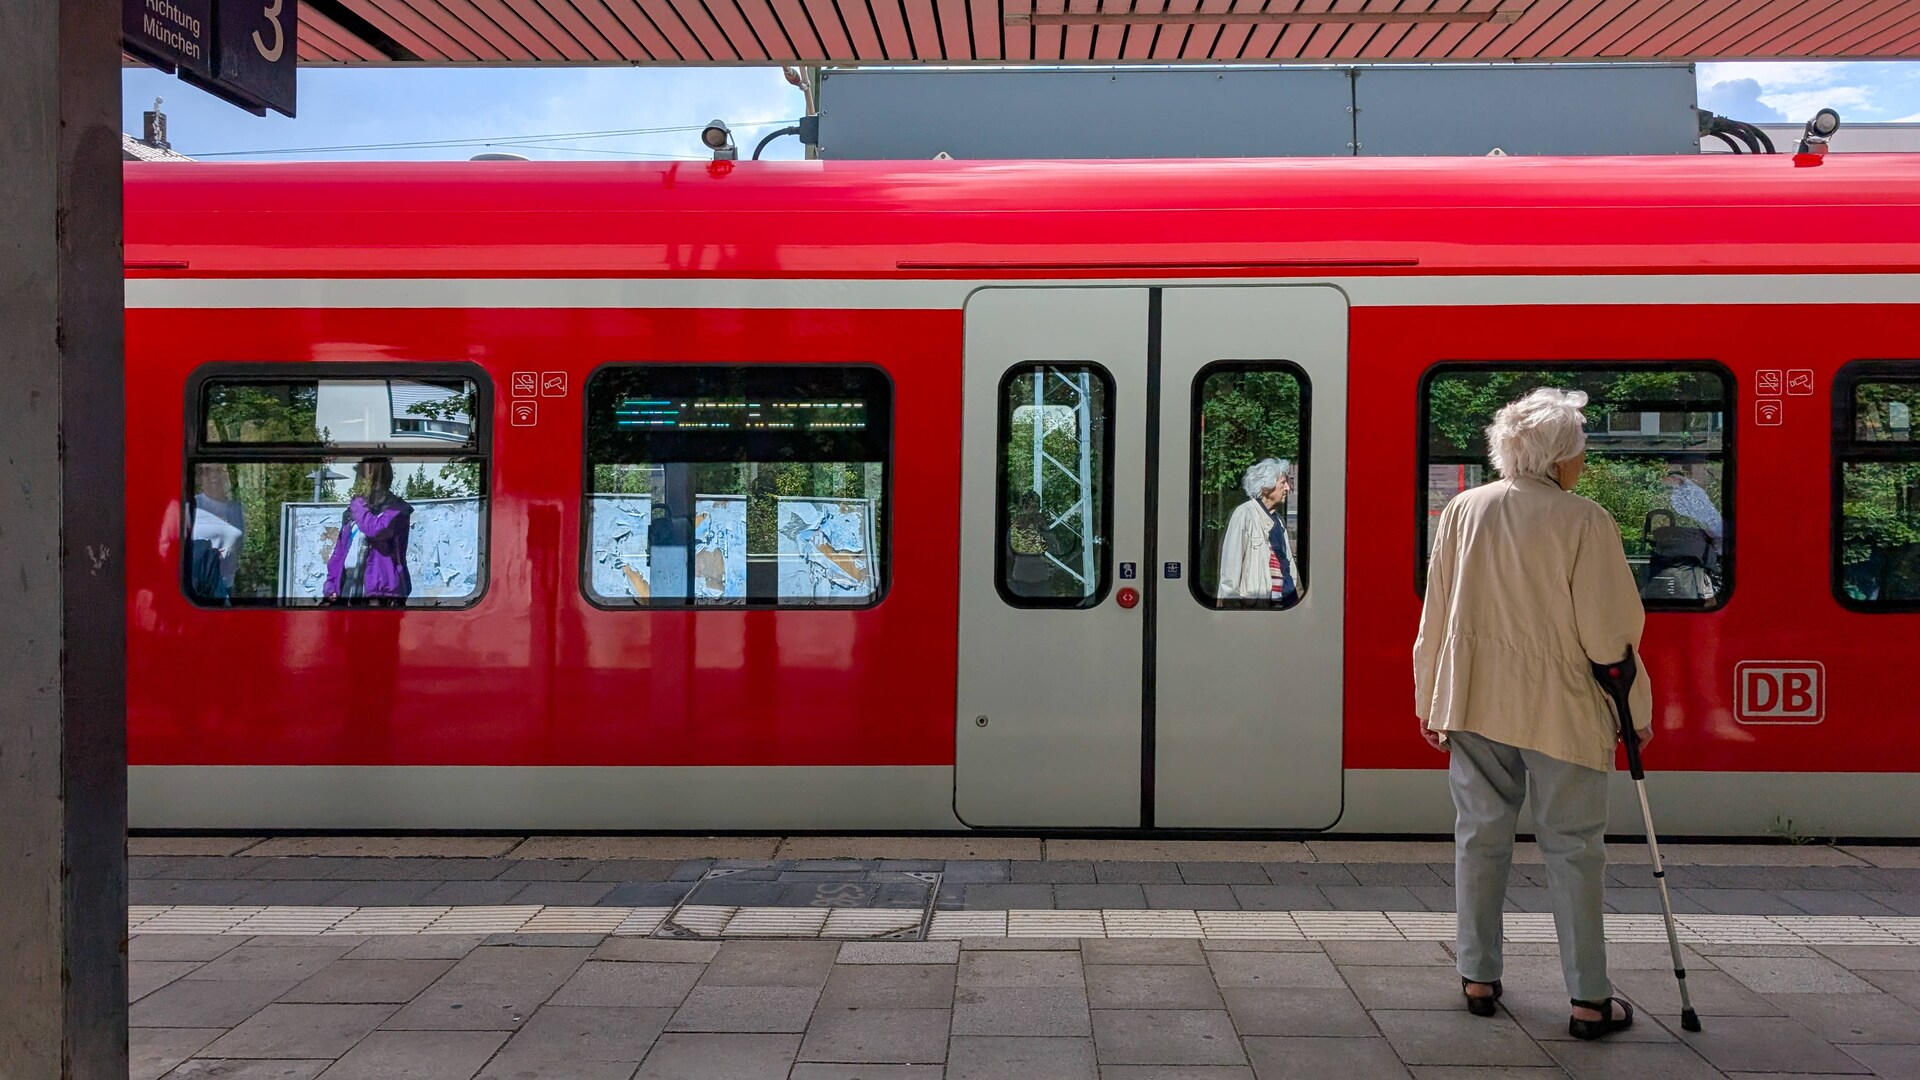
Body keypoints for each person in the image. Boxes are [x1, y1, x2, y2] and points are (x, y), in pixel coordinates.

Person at [1413, 388, 1653, 1041]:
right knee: (1574, 849)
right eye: (1578, 447)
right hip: (1561, 710)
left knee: (1480, 838)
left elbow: (1435, 616)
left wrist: (1430, 697)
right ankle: (1587, 1000)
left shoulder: (1463, 510)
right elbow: (1610, 638)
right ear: (1557, 454)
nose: (1583, 459)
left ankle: (1479, 977)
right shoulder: (1584, 521)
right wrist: (1634, 713)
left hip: (1474, 700)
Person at [324, 458, 414, 605]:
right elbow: (339, 552)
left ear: (379, 482)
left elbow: (376, 530)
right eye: (360, 479)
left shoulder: (397, 509)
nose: (360, 485)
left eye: (365, 479)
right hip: (348, 585)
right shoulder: (353, 513)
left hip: (381, 591)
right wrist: (331, 584)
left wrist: (359, 505)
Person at [1218, 458, 1298, 604]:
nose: (1287, 488)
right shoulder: (1244, 514)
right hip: (1256, 608)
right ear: (1266, 487)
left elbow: (1288, 565)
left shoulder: (1278, 521)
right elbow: (1230, 570)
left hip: (1282, 606)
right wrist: (1230, 610)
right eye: (1283, 483)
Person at [189, 463, 245, 600]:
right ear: (199, 478)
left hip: (229, 583)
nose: (214, 476)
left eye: (218, 471)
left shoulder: (235, 508)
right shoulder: (191, 506)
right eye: (207, 471)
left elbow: (239, 545)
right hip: (200, 586)